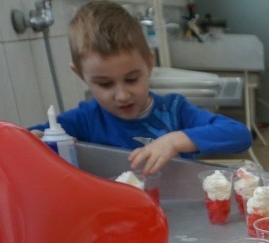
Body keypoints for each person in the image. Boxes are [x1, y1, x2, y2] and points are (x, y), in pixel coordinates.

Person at [28, 0, 251, 175]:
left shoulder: (174, 110)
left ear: (149, 63)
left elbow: (239, 134)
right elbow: (23, 140)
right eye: (105, 84)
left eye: (132, 79)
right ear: (80, 75)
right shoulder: (84, 120)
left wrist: (175, 140)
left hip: (177, 217)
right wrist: (36, 141)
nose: (123, 95)